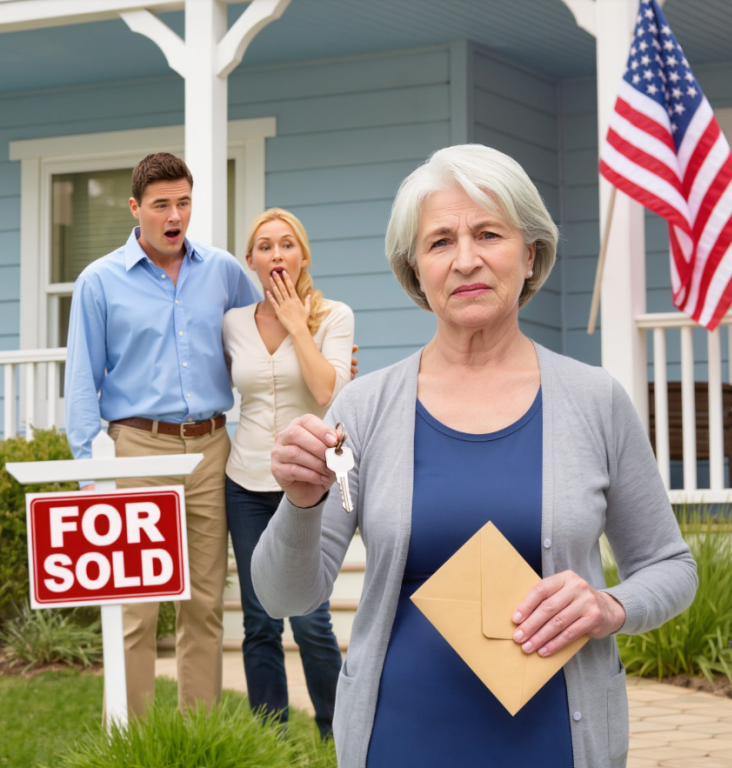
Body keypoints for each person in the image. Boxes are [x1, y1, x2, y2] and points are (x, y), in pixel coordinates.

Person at [252, 144, 698, 768]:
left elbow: (671, 566)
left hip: (559, 743)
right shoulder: (363, 408)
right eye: (439, 242)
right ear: (415, 269)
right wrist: (300, 505)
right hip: (399, 740)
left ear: (530, 253)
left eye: (488, 233)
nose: (466, 260)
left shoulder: (595, 400)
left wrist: (610, 605)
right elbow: (284, 597)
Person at [64, 153, 357, 718]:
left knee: (203, 602)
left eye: (183, 203)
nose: (174, 216)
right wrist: (89, 478)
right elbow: (81, 386)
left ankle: (195, 735)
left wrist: (334, 363)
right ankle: (135, 739)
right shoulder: (99, 281)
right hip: (137, 449)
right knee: (139, 606)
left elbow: (264, 344)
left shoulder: (222, 270)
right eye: (161, 205)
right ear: (136, 209)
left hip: (210, 449)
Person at [223, 208, 353, 737]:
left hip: (304, 485)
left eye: (287, 245)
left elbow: (329, 392)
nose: (276, 255)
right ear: (251, 260)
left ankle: (336, 731)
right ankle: (269, 738)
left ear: (303, 256)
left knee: (310, 617)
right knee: (259, 621)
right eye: (264, 246)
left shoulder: (335, 317)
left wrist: (300, 324)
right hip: (246, 481)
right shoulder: (233, 323)